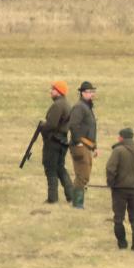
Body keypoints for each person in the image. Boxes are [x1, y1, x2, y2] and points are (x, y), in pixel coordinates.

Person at [106, 128, 134, 251]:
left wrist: (111, 183)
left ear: (121, 138)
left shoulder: (118, 151)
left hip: (120, 190)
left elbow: (110, 169)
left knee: (118, 218)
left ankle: (122, 243)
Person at [40, 80, 75, 204]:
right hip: (62, 141)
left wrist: (42, 126)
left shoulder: (58, 105)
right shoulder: (66, 104)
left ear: (59, 92)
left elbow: (51, 124)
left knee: (51, 169)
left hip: (53, 142)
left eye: (53, 89)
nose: (51, 92)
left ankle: (52, 198)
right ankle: (71, 195)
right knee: (60, 168)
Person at [67, 81, 98, 209]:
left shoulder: (86, 107)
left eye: (92, 92)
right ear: (83, 93)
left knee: (84, 174)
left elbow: (89, 129)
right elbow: (73, 125)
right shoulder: (80, 107)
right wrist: (79, 142)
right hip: (79, 146)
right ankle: (77, 203)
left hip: (86, 145)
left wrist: (93, 147)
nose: (92, 94)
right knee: (82, 175)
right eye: (89, 92)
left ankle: (77, 201)